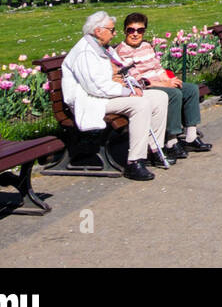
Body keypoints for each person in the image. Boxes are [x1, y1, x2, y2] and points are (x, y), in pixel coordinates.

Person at [61, 11, 171, 181]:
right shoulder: (85, 52)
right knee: (140, 105)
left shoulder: (101, 47)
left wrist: (128, 83)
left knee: (159, 97)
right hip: (91, 101)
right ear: (98, 31)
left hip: (106, 95)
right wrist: (128, 92)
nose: (114, 34)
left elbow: (118, 72)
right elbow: (96, 87)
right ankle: (135, 162)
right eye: (111, 30)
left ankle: (153, 149)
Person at [113, 12, 212, 159]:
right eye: (131, 30)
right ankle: (171, 140)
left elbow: (157, 68)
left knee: (190, 89)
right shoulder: (122, 51)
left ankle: (191, 136)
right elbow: (137, 79)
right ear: (125, 31)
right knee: (173, 94)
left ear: (144, 31)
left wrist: (169, 80)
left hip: (160, 81)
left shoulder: (146, 46)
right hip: (145, 87)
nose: (135, 34)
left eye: (139, 30)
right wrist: (166, 83)